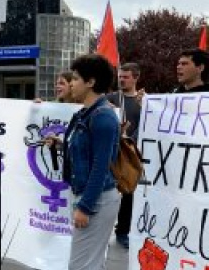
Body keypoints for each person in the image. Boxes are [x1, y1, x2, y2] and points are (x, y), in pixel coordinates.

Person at [46, 54, 120, 270]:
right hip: (86, 195)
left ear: (91, 82)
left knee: (81, 266)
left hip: (95, 200)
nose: (71, 83)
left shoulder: (102, 116)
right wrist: (61, 144)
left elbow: (101, 166)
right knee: (90, 263)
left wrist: (85, 206)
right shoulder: (84, 114)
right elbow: (86, 150)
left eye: (76, 78)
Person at [106, 63, 142, 249]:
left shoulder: (143, 101)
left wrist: (131, 139)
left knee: (128, 192)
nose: (121, 79)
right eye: (120, 76)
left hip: (131, 154)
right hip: (110, 152)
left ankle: (123, 231)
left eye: (126, 77)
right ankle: (104, 229)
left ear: (136, 78)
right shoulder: (110, 98)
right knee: (107, 191)